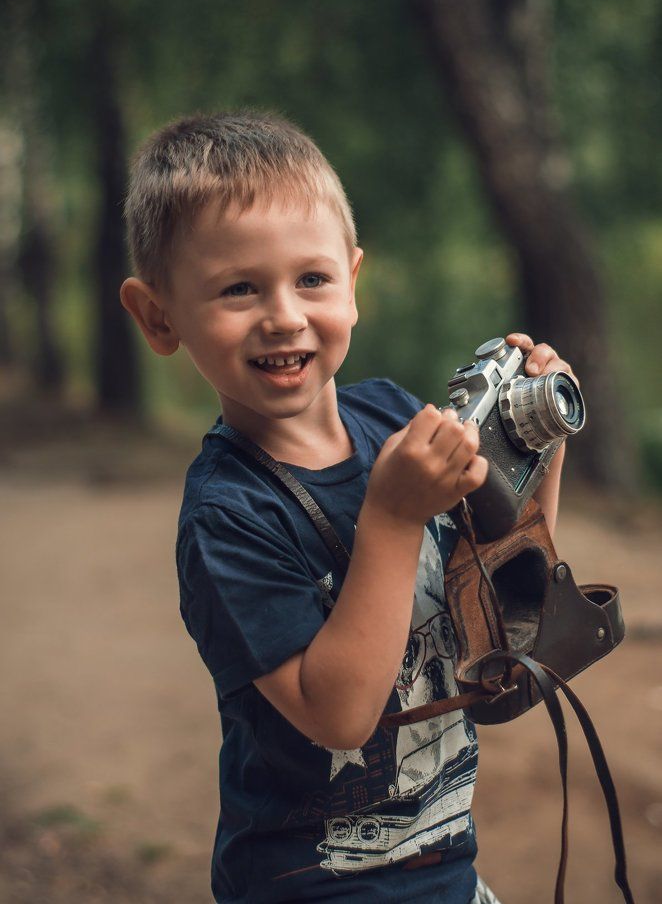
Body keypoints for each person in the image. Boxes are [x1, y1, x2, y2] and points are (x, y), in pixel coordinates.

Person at [120, 111, 573, 903]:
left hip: (446, 868)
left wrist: (539, 446)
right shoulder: (229, 514)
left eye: (312, 279)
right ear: (160, 317)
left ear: (352, 283)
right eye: (239, 288)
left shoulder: (392, 417)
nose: (284, 315)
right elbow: (339, 717)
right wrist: (393, 519)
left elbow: (505, 609)